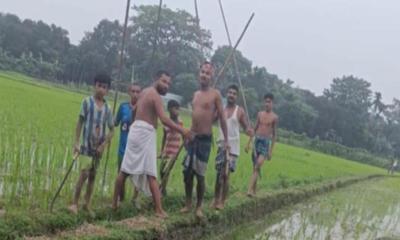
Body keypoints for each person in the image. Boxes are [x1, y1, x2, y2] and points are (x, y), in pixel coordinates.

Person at [112, 70, 191, 218]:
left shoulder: (144, 92)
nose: (166, 86)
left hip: (135, 131)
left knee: (125, 170)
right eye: (164, 81)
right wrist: (183, 131)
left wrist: (135, 124)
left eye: (168, 83)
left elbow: (134, 111)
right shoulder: (155, 96)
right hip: (144, 133)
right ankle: (159, 210)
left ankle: (114, 204)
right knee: (151, 173)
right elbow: (164, 119)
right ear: (156, 79)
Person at [180, 61, 228, 218]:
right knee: (187, 172)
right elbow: (195, 118)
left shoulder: (215, 95)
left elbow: (221, 118)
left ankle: (199, 206)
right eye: (203, 72)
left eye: (208, 73)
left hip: (205, 141)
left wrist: (226, 140)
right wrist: (187, 135)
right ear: (199, 73)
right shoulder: (195, 94)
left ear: (211, 76)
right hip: (192, 138)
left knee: (200, 175)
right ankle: (188, 203)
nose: (204, 75)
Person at [68, 72, 114, 215]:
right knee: (84, 174)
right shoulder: (86, 102)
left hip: (98, 150)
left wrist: (103, 145)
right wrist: (76, 143)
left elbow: (112, 130)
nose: (101, 89)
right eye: (99, 86)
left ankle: (87, 204)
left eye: (104, 87)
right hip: (86, 147)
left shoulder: (108, 108)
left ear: (107, 90)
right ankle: (74, 203)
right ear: (94, 85)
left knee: (93, 176)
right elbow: (80, 122)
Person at [211, 84, 253, 210]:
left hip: (233, 148)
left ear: (237, 96)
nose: (231, 95)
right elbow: (212, 120)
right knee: (219, 174)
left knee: (226, 175)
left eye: (234, 93)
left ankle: (222, 201)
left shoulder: (239, 111)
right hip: (221, 144)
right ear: (226, 94)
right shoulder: (221, 108)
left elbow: (246, 127)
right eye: (229, 92)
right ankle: (216, 199)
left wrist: (249, 131)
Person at [246, 93, 278, 197]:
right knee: (255, 167)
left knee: (258, 165)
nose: (267, 104)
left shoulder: (274, 117)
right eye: (266, 101)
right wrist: (248, 143)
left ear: (272, 103)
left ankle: (249, 190)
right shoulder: (260, 114)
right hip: (257, 140)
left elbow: (274, 135)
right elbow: (254, 129)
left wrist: (271, 151)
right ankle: (254, 191)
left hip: (265, 143)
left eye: (269, 102)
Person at [114, 84, 141, 203]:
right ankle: (121, 199)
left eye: (138, 92)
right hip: (123, 148)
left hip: (136, 149)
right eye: (133, 91)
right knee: (121, 176)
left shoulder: (142, 109)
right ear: (129, 92)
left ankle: (134, 200)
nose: (135, 94)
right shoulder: (123, 107)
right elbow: (115, 123)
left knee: (137, 177)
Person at [159, 99, 183, 196]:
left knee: (166, 171)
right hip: (166, 151)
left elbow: (181, 132)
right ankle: (163, 190)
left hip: (174, 152)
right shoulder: (166, 122)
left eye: (178, 109)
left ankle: (162, 190)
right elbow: (164, 137)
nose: (177, 111)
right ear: (169, 109)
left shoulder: (179, 122)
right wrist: (161, 151)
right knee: (161, 171)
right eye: (175, 108)